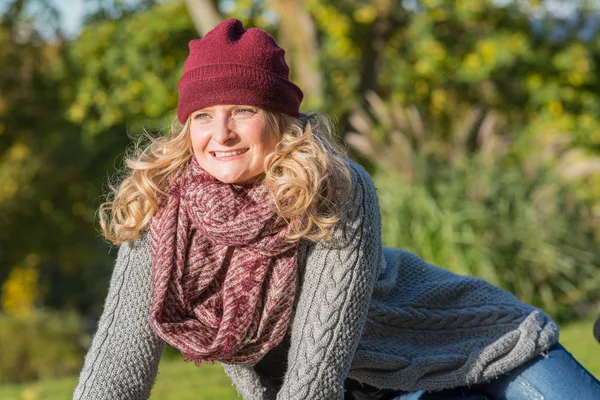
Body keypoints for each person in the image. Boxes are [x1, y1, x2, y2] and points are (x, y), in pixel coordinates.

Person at [73, 18, 600, 400]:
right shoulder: (162, 209)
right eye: (204, 116)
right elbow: (116, 371)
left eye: (244, 111)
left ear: (278, 119)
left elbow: (314, 376)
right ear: (186, 127)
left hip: (468, 339)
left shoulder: (334, 190)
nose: (222, 134)